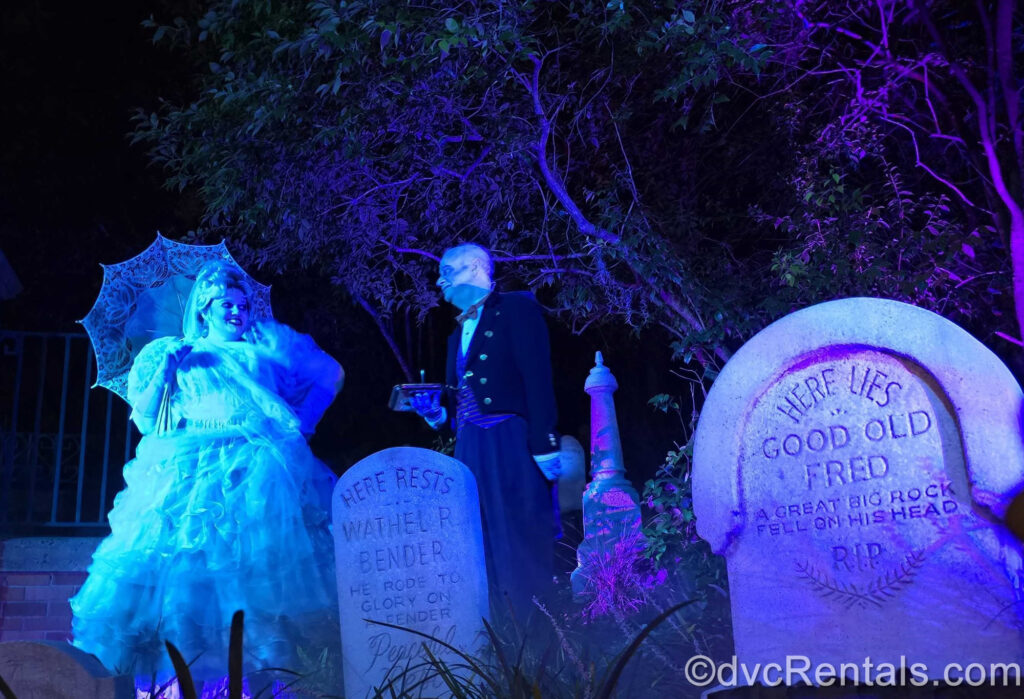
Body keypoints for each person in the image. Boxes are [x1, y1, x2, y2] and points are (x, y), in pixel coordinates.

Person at [70, 260, 344, 688]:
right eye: (225, 305)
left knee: (257, 577)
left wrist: (303, 423)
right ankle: (179, 683)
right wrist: (167, 369)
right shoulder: (174, 353)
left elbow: (330, 374)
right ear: (203, 309)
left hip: (258, 473)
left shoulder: (263, 348)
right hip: (189, 473)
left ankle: (263, 680)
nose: (236, 312)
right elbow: (145, 421)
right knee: (185, 579)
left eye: (241, 305)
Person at [411, 243, 561, 619]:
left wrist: (544, 442)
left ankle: (542, 639)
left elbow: (537, 378)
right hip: (469, 445)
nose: (439, 279)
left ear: (478, 267)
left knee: (519, 537)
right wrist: (434, 414)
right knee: (477, 540)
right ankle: (496, 643)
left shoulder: (516, 310)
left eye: (449, 269)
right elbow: (455, 400)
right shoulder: (453, 337)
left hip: (508, 440)